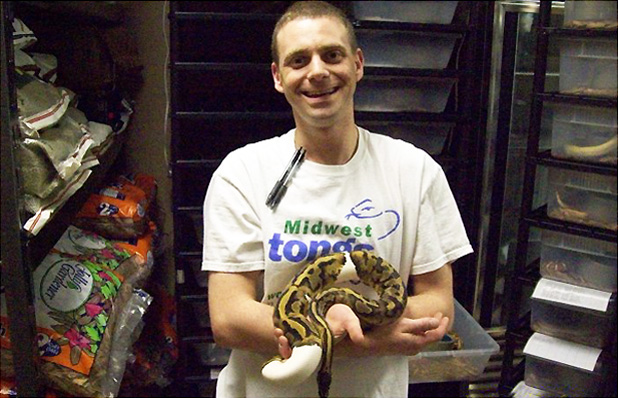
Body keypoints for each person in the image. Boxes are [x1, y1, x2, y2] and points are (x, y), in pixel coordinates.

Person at [202, 1, 473, 397]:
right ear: (279, 77)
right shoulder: (242, 172)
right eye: (299, 60)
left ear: (358, 64)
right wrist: (366, 338)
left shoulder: (414, 170)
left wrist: (331, 329)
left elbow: (437, 306)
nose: (317, 72)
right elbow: (228, 318)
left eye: (332, 55)